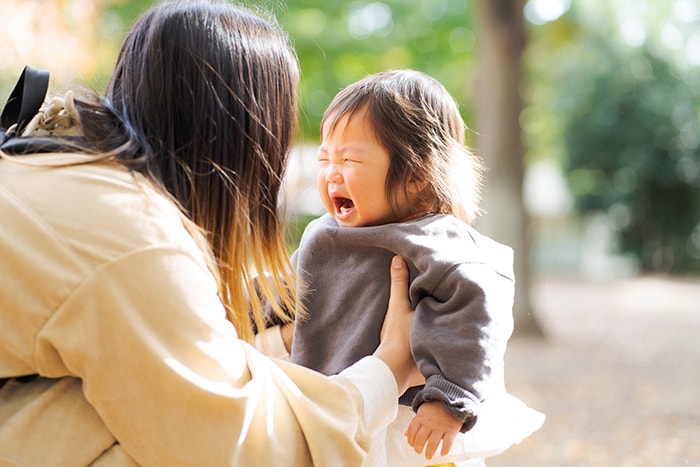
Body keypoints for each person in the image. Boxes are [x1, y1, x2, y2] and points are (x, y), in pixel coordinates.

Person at [0, 1, 422, 465]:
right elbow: (234, 444)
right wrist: (388, 371)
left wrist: (275, 341)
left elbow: (167, 366)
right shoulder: (129, 234)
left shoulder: (69, 170)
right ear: (243, 140)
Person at [256, 69, 544, 466]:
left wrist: (448, 396)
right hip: (334, 401)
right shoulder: (323, 234)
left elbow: (474, 322)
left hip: (410, 421)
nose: (330, 173)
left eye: (349, 158)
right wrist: (252, 311)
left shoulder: (437, 244)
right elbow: (289, 290)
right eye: (325, 158)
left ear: (416, 174)